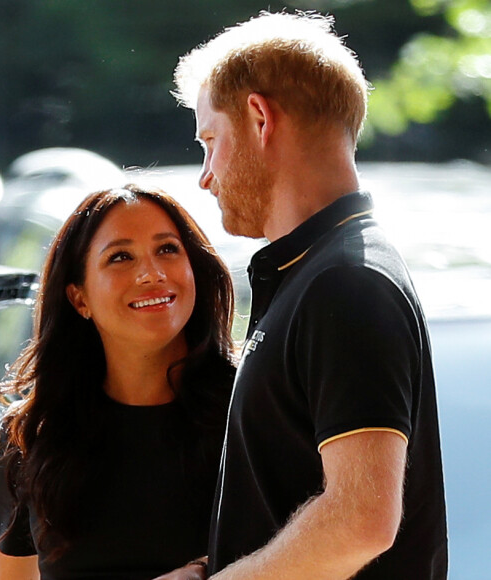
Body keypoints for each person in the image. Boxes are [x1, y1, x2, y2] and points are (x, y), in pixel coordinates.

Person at [172, 11, 448, 579]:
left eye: (210, 140)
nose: (204, 175)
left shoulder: (347, 282)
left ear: (258, 117)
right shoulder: (317, 272)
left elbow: (362, 521)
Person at [0, 184, 236, 580]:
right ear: (79, 298)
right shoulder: (32, 435)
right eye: (120, 257)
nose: (152, 273)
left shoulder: (252, 410)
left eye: (168, 249)